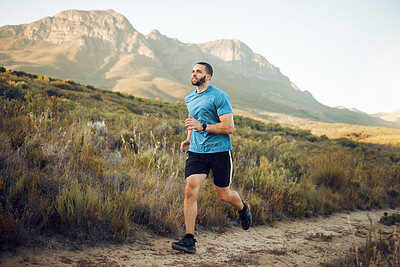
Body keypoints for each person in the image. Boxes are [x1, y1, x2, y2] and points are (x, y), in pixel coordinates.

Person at [172, 62, 252, 254]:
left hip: (219, 152)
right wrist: (189, 138)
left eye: (198, 71)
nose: (193, 74)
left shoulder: (219, 96)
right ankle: (189, 240)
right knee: (190, 190)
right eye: (192, 71)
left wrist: (204, 127)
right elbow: (193, 121)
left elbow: (229, 127)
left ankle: (242, 207)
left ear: (208, 77)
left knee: (224, 195)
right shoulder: (189, 98)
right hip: (198, 152)